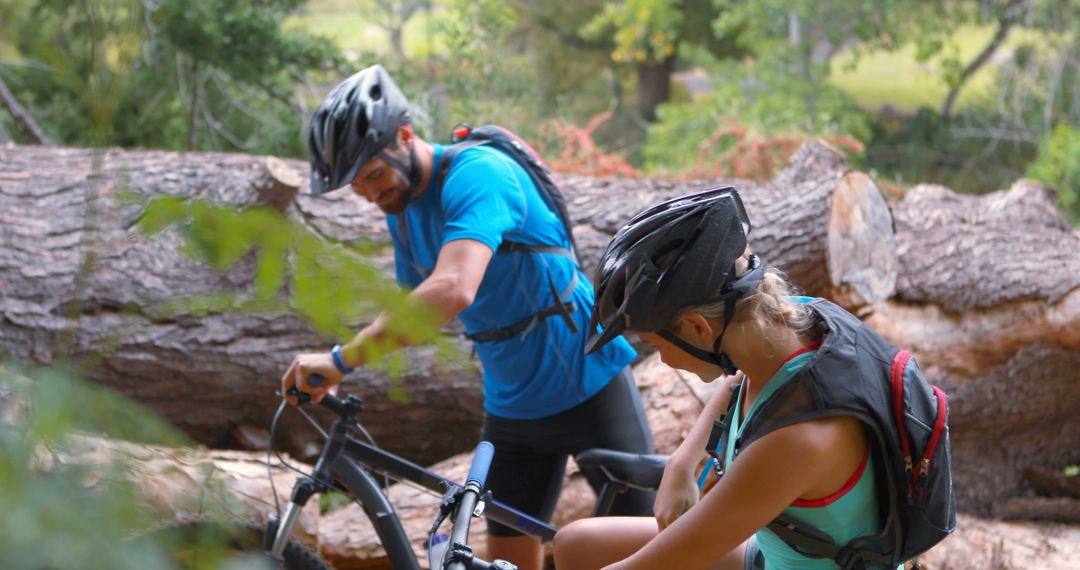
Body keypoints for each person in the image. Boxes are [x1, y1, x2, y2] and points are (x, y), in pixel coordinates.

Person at [280, 64, 655, 570]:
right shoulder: (404, 210)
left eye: (372, 175)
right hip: (512, 406)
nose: (368, 194)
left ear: (405, 136)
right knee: (505, 561)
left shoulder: (477, 173)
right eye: (356, 186)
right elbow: (413, 302)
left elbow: (454, 287)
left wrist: (342, 359)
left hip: (589, 385)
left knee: (653, 552)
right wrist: (342, 361)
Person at [554, 187, 898, 570]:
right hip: (777, 552)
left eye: (655, 345)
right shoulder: (793, 324)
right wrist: (682, 461)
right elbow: (738, 382)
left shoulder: (796, 439)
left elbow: (665, 560)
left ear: (698, 327)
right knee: (576, 544)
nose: (663, 359)